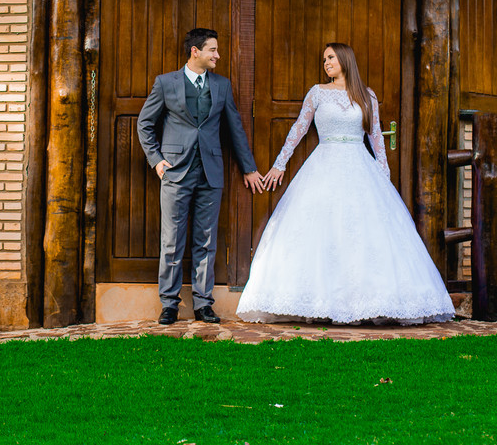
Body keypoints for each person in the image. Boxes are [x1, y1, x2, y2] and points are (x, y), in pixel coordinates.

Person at [236, 42, 454, 324]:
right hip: (323, 163)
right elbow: (298, 129)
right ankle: (318, 302)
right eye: (324, 59)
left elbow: (375, 135)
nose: (326, 62)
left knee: (363, 233)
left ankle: (368, 303)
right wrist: (280, 164)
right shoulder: (317, 93)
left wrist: (383, 174)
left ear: (345, 59)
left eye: (330, 57)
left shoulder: (367, 95)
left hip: (359, 166)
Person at [137, 28, 265, 325]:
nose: (217, 55)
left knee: (206, 241)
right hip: (175, 172)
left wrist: (249, 167)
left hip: (210, 172)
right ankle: (169, 304)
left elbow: (234, 128)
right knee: (172, 240)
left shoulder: (221, 85)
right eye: (213, 50)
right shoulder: (166, 83)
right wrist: (157, 161)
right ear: (196, 51)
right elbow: (145, 123)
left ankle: (203, 304)